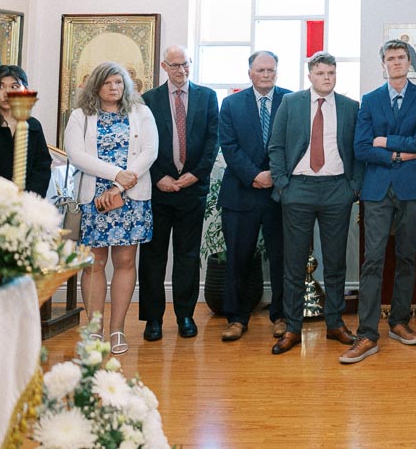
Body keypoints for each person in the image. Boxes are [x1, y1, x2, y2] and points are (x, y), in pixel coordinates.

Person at [267, 52, 361, 355]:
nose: (327, 78)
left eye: (331, 73)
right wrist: (283, 184)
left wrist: (352, 188)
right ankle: (293, 328)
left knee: (335, 263)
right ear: (310, 76)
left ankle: (335, 323)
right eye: (321, 73)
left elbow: (358, 150)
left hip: (337, 189)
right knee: (294, 262)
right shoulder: (291, 103)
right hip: (299, 188)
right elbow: (276, 145)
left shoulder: (350, 107)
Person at [347, 39, 416, 364]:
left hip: (413, 189)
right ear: (382, 64)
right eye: (390, 58)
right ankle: (367, 335)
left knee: (407, 256)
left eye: (401, 57)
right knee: (372, 260)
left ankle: (400, 322)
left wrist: (385, 143)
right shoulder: (369, 101)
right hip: (377, 189)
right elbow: (361, 148)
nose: (396, 62)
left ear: (410, 62)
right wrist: (401, 152)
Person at [64, 61, 156, 356]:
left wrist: (119, 186)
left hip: (130, 196)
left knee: (126, 262)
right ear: (96, 86)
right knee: (94, 263)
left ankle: (117, 330)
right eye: (107, 83)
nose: (114, 88)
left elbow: (150, 152)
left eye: (118, 82)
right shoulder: (81, 115)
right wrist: (114, 175)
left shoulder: (141, 112)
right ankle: (94, 330)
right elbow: (76, 154)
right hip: (93, 198)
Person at [139, 45, 220, 342]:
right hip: (158, 191)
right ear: (163, 66)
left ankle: (185, 315)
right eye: (175, 65)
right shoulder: (148, 100)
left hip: (192, 190)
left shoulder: (207, 97)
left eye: (185, 64)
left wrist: (194, 175)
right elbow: (142, 145)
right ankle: (153, 319)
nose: (181, 70)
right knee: (153, 257)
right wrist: (159, 177)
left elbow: (214, 140)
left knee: (187, 257)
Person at [217, 51, 291, 345]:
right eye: (260, 69)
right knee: (238, 258)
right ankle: (236, 318)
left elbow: (297, 142)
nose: (266, 74)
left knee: (282, 258)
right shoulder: (231, 103)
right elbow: (229, 146)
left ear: (276, 71)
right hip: (240, 193)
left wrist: (273, 174)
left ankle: (282, 316)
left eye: (270, 69)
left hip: (280, 193)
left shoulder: (291, 101)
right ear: (250, 72)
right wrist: (254, 175)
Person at [0, 64, 52, 196]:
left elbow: (42, 166)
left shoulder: (33, 125)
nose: (7, 93)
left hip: (26, 201)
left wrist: (29, 196)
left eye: (14, 87)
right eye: (1, 87)